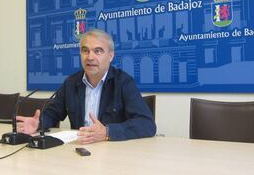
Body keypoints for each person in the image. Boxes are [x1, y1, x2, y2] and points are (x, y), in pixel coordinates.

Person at [17, 29, 156, 144]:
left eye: (98, 51)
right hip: (80, 150)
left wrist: (108, 132)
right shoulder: (71, 82)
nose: (90, 57)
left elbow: (147, 124)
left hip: (113, 153)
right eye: (85, 50)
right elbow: (53, 112)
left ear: (111, 56)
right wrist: (38, 123)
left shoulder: (123, 82)